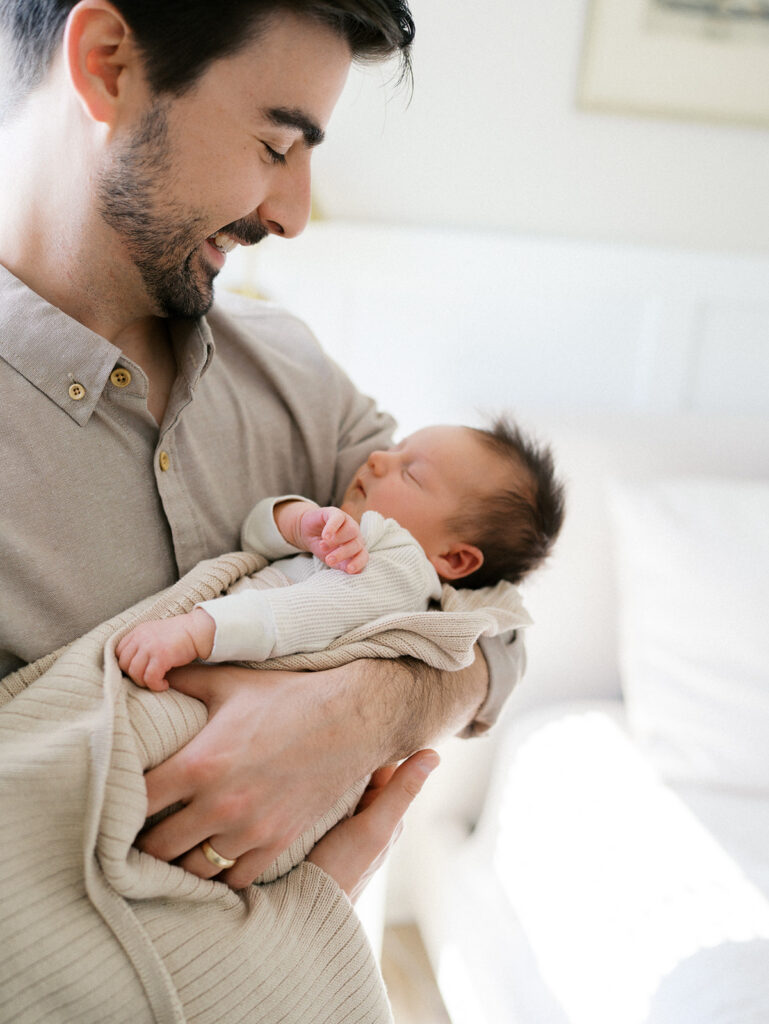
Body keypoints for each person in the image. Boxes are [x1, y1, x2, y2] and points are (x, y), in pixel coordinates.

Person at [0, 2, 528, 1020]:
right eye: (275, 144)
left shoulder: (290, 370)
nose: (291, 209)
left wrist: (353, 716)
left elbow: (499, 626)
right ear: (107, 66)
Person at [116, 421, 565, 691]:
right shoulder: (355, 538)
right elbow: (253, 536)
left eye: (410, 472)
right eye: (394, 448)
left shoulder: (403, 571)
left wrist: (194, 632)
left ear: (455, 560)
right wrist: (298, 524)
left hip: (211, 651)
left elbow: (302, 613)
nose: (376, 458)